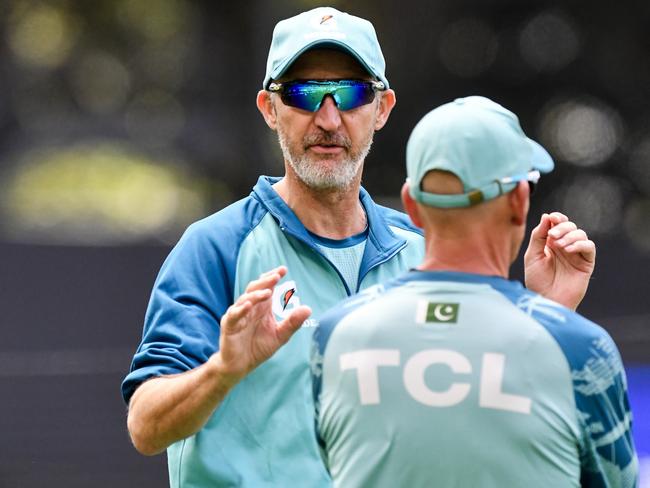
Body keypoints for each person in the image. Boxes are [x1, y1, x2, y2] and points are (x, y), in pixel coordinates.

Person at [122, 7, 596, 487]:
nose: (328, 119)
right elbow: (145, 426)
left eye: (350, 94)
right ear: (270, 109)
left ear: (382, 108)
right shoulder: (216, 247)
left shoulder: (425, 253)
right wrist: (224, 370)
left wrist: (546, 314)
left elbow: (477, 422)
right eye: (305, 94)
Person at [311, 96, 638, 488]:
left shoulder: (335, 334)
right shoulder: (579, 349)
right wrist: (553, 320)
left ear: (412, 205)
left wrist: (547, 314)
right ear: (520, 200)